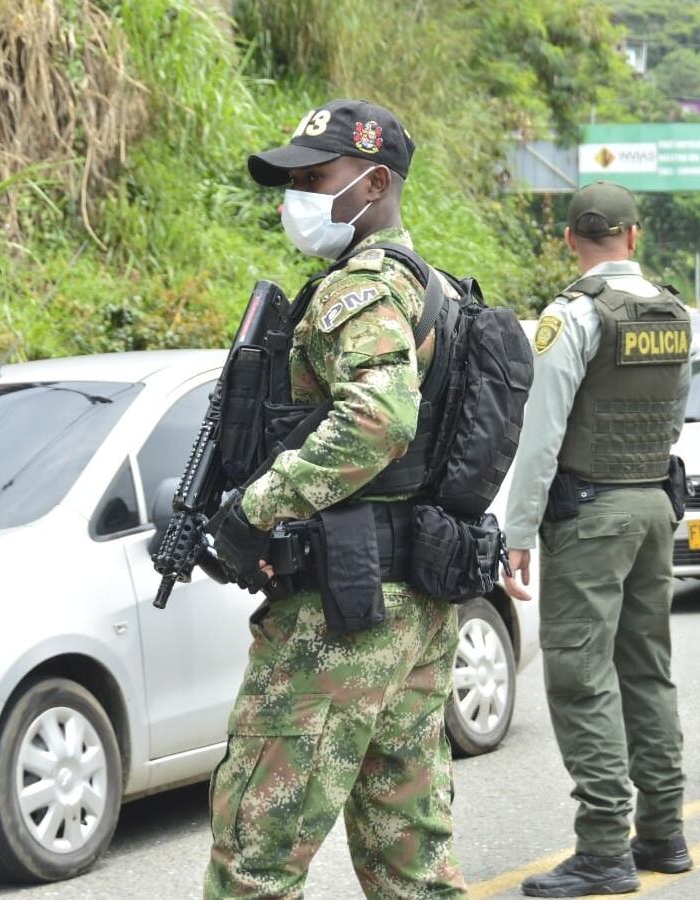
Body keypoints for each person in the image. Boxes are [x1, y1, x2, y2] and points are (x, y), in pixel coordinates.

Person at [202, 99, 466, 899]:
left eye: (317, 178)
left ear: (374, 182)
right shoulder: (436, 288)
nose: (300, 196)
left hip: (339, 619)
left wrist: (257, 507)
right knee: (410, 858)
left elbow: (379, 418)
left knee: (256, 856)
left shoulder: (360, 290)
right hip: (415, 602)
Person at [502, 182, 691, 897]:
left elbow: (542, 431)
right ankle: (664, 832)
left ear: (569, 238)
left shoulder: (572, 315)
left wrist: (518, 530)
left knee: (581, 678)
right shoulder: (673, 311)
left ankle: (605, 848)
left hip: (590, 513)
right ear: (633, 237)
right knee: (647, 668)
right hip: (651, 505)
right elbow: (675, 416)